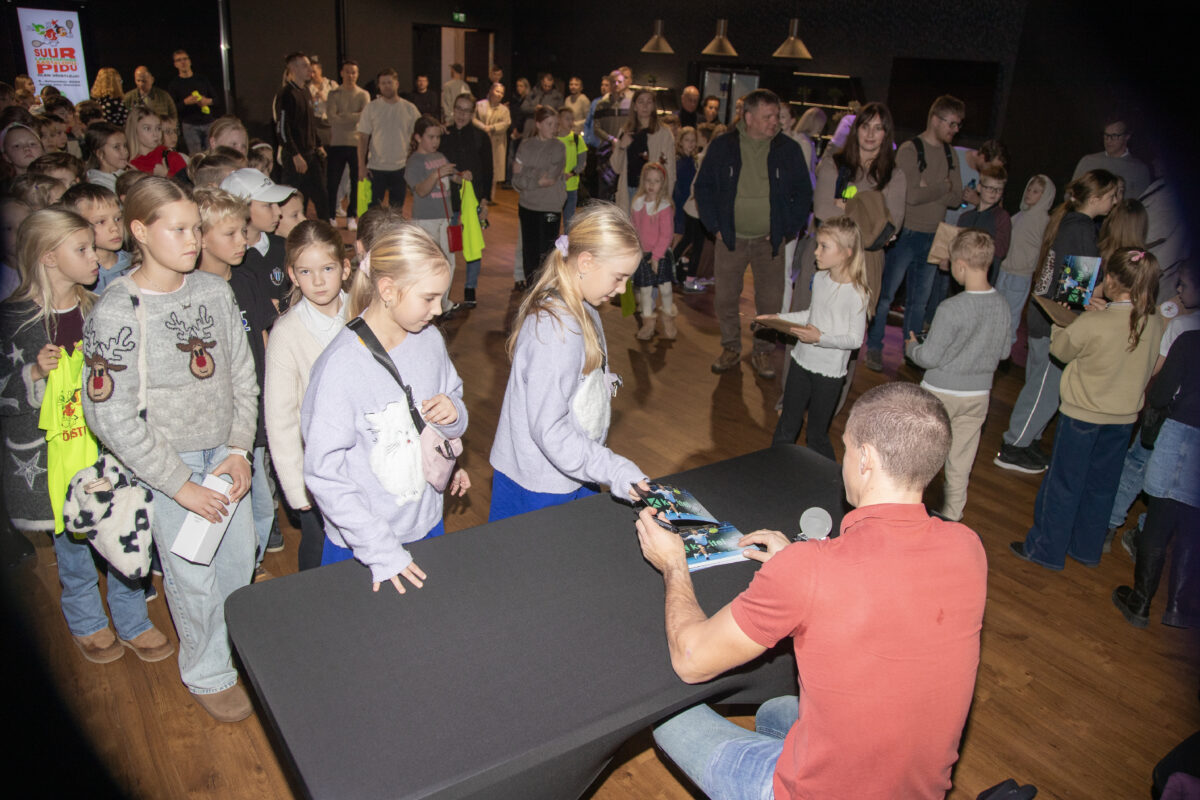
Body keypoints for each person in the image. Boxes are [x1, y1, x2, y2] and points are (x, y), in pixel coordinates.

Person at [641, 381, 986, 800]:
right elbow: (887, 592)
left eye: (847, 448)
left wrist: (674, 563)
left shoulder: (811, 570)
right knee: (775, 711)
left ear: (866, 459)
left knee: (667, 720)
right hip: (916, 791)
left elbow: (690, 661)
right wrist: (800, 562)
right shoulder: (968, 547)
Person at [82, 177, 259, 722]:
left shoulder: (213, 291)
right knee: (191, 579)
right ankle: (208, 672)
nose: (192, 240)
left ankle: (237, 652)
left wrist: (239, 448)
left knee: (237, 564)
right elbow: (108, 412)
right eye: (178, 230)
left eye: (195, 229)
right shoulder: (118, 309)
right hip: (168, 465)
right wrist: (179, 485)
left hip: (224, 454)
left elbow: (242, 373)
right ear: (139, 231)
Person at [0, 207, 173, 664]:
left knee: (123, 528)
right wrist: (32, 374)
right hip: (52, 457)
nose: (96, 256)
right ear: (48, 257)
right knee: (73, 542)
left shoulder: (99, 306)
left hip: (106, 448)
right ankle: (86, 620)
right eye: (82, 249)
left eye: (92, 247)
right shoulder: (13, 320)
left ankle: (132, 618)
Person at [302, 223, 469, 590]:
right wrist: (381, 550)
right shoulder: (340, 367)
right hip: (363, 546)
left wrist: (454, 413)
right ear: (388, 290)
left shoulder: (430, 341)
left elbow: (453, 399)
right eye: (429, 298)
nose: (438, 309)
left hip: (427, 523)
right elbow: (323, 474)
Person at [488, 202, 648, 521]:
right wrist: (614, 469)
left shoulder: (584, 308)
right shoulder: (556, 330)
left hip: (574, 467)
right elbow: (550, 429)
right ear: (586, 262)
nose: (622, 289)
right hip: (540, 483)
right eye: (619, 278)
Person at [1012, 247, 1164, 570]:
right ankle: (1085, 549)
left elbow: (1061, 350)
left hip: (1082, 416)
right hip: (1123, 420)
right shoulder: (1154, 322)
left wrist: (1066, 321)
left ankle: (1045, 550)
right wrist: (1104, 311)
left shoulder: (1094, 322)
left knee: (1063, 484)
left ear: (1111, 280)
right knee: (1101, 487)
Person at [993, 169, 1118, 473]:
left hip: (1045, 315)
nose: (1115, 202)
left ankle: (1029, 439)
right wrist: (1093, 298)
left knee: (1041, 383)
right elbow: (1074, 288)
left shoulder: (1070, 222)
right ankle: (1014, 446)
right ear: (1097, 197)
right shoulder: (1081, 228)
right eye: (1112, 196)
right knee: (1045, 388)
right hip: (1055, 321)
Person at [694, 88, 812, 379]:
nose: (775, 121)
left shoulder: (788, 149)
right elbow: (703, 187)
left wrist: (786, 231)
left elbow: (804, 194)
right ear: (748, 118)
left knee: (770, 301)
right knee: (725, 299)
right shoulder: (723, 146)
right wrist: (715, 226)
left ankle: (762, 351)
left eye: (776, 116)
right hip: (729, 239)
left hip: (769, 242)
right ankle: (731, 346)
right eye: (768, 116)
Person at [194, 188, 280, 580]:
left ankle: (250, 563)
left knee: (260, 500)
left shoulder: (248, 279)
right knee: (227, 499)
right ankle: (234, 569)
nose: (241, 240)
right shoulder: (194, 292)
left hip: (255, 410)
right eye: (229, 234)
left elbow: (263, 338)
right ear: (201, 238)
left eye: (242, 231)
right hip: (219, 421)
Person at [905, 229, 1011, 521]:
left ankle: (910, 514)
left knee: (921, 457)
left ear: (961, 265)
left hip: (939, 393)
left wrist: (912, 348)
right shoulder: (1002, 305)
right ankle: (951, 518)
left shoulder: (951, 308)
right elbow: (1004, 352)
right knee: (961, 462)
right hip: (978, 396)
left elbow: (929, 357)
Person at [264, 221, 350, 572]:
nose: (318, 281)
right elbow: (280, 418)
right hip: (318, 471)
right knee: (319, 554)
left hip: (370, 461)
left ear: (345, 268)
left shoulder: (367, 315)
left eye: (327, 268)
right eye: (306, 271)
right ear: (292, 275)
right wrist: (296, 487)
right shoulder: (286, 333)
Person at [863, 95, 964, 371]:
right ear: (935, 119)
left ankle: (912, 352)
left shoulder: (951, 154)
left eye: (958, 125)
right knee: (885, 297)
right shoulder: (910, 150)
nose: (955, 130)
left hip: (935, 237)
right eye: (952, 124)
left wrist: (931, 187)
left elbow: (957, 197)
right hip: (905, 235)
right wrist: (942, 187)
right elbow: (912, 196)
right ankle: (874, 347)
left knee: (919, 302)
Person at [760, 215, 870, 459]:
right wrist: (777, 318)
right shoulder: (820, 278)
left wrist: (820, 338)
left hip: (829, 374)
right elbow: (811, 314)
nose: (816, 252)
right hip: (801, 362)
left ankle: (831, 480)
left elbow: (855, 340)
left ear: (846, 253)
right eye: (817, 245)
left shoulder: (857, 293)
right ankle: (771, 468)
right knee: (787, 424)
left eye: (824, 247)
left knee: (816, 435)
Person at [1112, 327, 1200, 628]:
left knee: (1160, 518)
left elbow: (1160, 395)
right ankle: (1178, 607)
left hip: (1183, 434)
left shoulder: (1190, 340)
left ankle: (1140, 602)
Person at [810, 103, 905, 309]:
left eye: (878, 128)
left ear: (886, 134)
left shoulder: (894, 175)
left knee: (853, 324)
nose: (870, 134)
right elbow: (823, 211)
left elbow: (890, 227)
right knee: (815, 321)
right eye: (865, 126)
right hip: (828, 257)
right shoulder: (834, 164)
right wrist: (871, 216)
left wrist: (846, 207)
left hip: (866, 263)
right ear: (856, 129)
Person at [405, 115, 463, 316]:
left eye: (438, 137)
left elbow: (453, 176)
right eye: (431, 137)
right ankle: (424, 304)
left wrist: (461, 177)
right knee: (428, 264)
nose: (435, 141)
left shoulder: (439, 156)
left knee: (449, 262)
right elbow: (421, 190)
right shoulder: (414, 161)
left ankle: (443, 304)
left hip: (445, 218)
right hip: (425, 220)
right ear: (418, 137)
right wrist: (436, 174)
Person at [440, 93, 493, 308]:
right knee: (448, 245)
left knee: (472, 244)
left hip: (473, 200)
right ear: (453, 110)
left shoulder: (481, 137)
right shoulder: (444, 134)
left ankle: (470, 287)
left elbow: (488, 171)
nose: (462, 114)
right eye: (459, 109)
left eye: (467, 110)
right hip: (450, 199)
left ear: (473, 113)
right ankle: (444, 289)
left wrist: (485, 201)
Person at [220, 167, 295, 310]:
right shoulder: (227, 259)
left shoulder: (283, 247)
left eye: (277, 204)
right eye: (268, 205)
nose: (278, 212)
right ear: (241, 207)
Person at [994, 175, 1056, 346]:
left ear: (1045, 196)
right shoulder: (1021, 214)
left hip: (1020, 274)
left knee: (1011, 312)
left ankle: (1006, 345)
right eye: (1029, 189)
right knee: (998, 308)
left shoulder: (1043, 220)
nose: (1029, 193)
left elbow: (1045, 248)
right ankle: (994, 341)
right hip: (1005, 269)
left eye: (1036, 191)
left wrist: (1033, 265)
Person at [512, 106, 566, 286]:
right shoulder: (526, 145)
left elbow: (550, 178)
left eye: (556, 124)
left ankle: (545, 289)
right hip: (527, 205)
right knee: (530, 252)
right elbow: (516, 179)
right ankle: (531, 290)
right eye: (549, 124)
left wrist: (526, 171)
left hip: (549, 206)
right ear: (538, 124)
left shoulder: (559, 147)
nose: (554, 128)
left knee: (547, 252)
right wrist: (536, 177)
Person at [275, 52, 330, 223]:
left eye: (309, 65)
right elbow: (282, 129)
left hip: (310, 154)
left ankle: (327, 232)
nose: (309, 69)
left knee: (322, 196)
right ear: (293, 68)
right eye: (304, 65)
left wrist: (318, 144)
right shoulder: (286, 94)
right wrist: (295, 154)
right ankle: (292, 233)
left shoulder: (305, 91)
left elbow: (310, 123)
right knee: (294, 199)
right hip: (295, 158)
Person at [357, 68, 420, 212]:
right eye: (383, 83)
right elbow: (362, 138)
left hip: (401, 168)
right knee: (373, 212)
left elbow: (420, 135)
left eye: (389, 82)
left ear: (397, 84)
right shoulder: (371, 108)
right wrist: (361, 166)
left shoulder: (410, 109)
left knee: (396, 212)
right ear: (379, 86)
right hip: (375, 168)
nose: (386, 86)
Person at [630, 162, 677, 341]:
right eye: (648, 180)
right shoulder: (637, 203)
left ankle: (668, 318)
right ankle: (648, 323)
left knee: (665, 289)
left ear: (662, 184)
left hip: (661, 254)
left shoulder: (664, 207)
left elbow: (666, 235)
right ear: (643, 181)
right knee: (645, 291)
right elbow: (634, 228)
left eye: (656, 181)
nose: (651, 184)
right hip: (643, 254)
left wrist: (656, 256)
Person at [610, 89, 676, 214]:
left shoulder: (664, 133)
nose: (645, 106)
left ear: (653, 106)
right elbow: (616, 168)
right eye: (641, 102)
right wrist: (621, 147)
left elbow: (670, 170)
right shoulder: (625, 131)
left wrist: (666, 200)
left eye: (649, 102)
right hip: (628, 191)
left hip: (653, 193)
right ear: (634, 106)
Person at [59, 183, 132, 292]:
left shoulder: (135, 264)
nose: (115, 228)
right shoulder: (75, 274)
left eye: (118, 218)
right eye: (101, 221)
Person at [326, 60, 368, 230]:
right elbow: (331, 118)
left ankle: (352, 216)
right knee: (333, 182)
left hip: (356, 144)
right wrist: (353, 116)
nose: (351, 75)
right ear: (342, 73)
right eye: (348, 71)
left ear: (357, 74)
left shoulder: (363, 94)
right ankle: (330, 215)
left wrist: (343, 115)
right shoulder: (334, 94)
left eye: (354, 72)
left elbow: (364, 117)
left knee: (357, 182)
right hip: (336, 143)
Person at [1073, 115, 1152, 201]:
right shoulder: (1088, 161)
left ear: (1127, 136)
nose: (1108, 140)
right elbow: (1071, 194)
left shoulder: (1139, 169)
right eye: (1106, 135)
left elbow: (1140, 205)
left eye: (1114, 136)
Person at [168, 50, 218, 154]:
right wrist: (185, 102)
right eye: (179, 60)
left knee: (212, 154)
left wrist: (206, 101)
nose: (183, 62)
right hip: (190, 125)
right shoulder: (174, 84)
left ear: (190, 61)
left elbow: (216, 99)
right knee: (196, 156)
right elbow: (172, 108)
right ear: (175, 64)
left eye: (185, 59)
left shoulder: (202, 79)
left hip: (208, 122)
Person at [125, 107, 187, 178]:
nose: (155, 134)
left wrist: (166, 175)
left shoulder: (170, 157)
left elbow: (187, 184)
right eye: (147, 128)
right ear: (134, 131)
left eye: (158, 128)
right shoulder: (126, 164)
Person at [474, 82, 510, 201]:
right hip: (480, 140)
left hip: (496, 142)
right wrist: (483, 127)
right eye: (497, 91)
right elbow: (473, 118)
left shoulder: (504, 110)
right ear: (491, 91)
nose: (499, 94)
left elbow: (506, 123)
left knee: (494, 169)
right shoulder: (479, 105)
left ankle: (490, 196)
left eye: (502, 93)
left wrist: (492, 128)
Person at [556, 106, 587, 228]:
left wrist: (572, 173)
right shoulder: (552, 139)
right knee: (553, 219)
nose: (570, 122)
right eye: (567, 119)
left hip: (571, 187)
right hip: (554, 187)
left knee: (569, 221)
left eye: (572, 119)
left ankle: (567, 240)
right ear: (559, 120)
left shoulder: (577, 139)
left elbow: (582, 162)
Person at [83, 122, 128, 192]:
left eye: (125, 145)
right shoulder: (99, 185)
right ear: (100, 153)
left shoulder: (123, 173)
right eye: (116, 147)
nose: (125, 151)